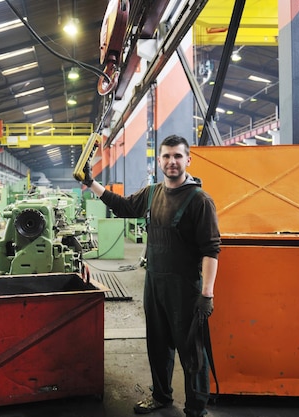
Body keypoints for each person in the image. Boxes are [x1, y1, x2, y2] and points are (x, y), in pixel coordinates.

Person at [79, 135, 220, 417]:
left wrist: (207, 294)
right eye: (166, 156)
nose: (171, 162)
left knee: (190, 349)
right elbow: (123, 206)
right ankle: (161, 396)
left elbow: (211, 250)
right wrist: (89, 182)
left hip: (186, 288)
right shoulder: (153, 193)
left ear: (188, 160)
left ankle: (196, 408)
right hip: (154, 283)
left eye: (178, 156)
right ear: (159, 161)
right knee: (157, 342)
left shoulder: (200, 201)